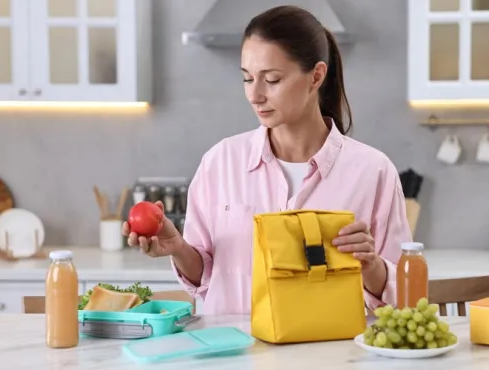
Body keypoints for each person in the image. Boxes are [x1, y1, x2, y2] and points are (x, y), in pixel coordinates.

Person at [122, 5, 412, 315]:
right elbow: (205, 278)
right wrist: (179, 248)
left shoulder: (372, 171)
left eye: (271, 80)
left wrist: (371, 265)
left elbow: (405, 295)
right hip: (233, 356)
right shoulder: (220, 163)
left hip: (330, 357)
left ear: (316, 76)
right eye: (247, 79)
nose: (255, 95)